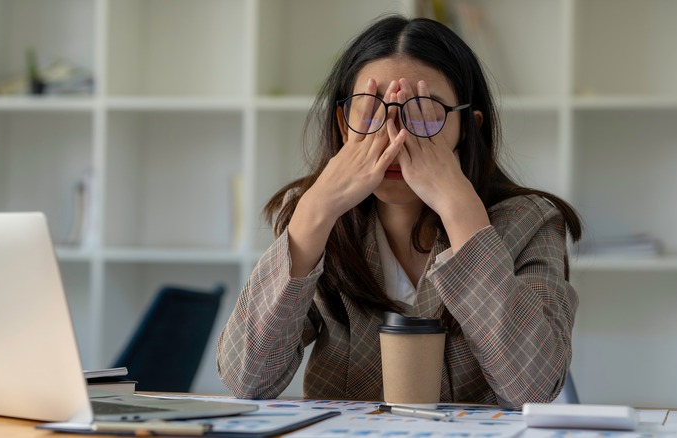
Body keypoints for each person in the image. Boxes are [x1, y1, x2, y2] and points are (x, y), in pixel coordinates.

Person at [217, 14, 582, 409]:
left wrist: (463, 213)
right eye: (371, 110)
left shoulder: (531, 221)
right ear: (343, 125)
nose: (394, 135)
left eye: (423, 112)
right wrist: (314, 212)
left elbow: (533, 389)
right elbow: (246, 379)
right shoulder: (318, 220)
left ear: (468, 128)